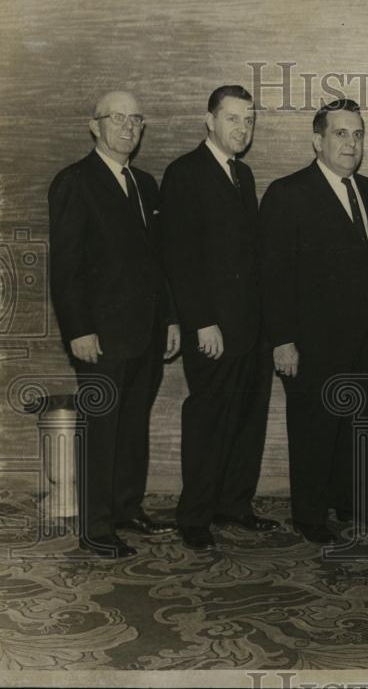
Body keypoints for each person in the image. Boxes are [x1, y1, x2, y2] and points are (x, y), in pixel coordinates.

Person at [48, 90, 179, 558]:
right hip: (99, 336)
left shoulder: (145, 184)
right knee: (102, 429)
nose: (128, 127)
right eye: (117, 118)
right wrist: (78, 330)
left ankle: (127, 509)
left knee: (132, 426)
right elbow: (65, 267)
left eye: (135, 119)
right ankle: (96, 527)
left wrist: (169, 319)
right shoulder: (75, 181)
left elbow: (158, 262)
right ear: (94, 126)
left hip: (145, 331)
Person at [259, 99, 368, 544]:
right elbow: (272, 276)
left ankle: (353, 502)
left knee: (355, 427)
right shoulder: (287, 192)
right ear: (318, 140)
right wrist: (282, 341)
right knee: (313, 430)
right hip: (310, 344)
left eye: (357, 134)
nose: (351, 143)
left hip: (363, 344)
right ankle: (310, 516)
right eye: (340, 133)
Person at [160, 85, 276, 551]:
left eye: (249, 120)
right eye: (232, 118)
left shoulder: (242, 175)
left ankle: (234, 504)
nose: (242, 128)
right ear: (209, 120)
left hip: (250, 327)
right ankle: (195, 516)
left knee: (247, 420)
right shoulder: (184, 173)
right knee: (208, 420)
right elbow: (179, 258)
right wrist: (201, 322)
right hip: (213, 328)